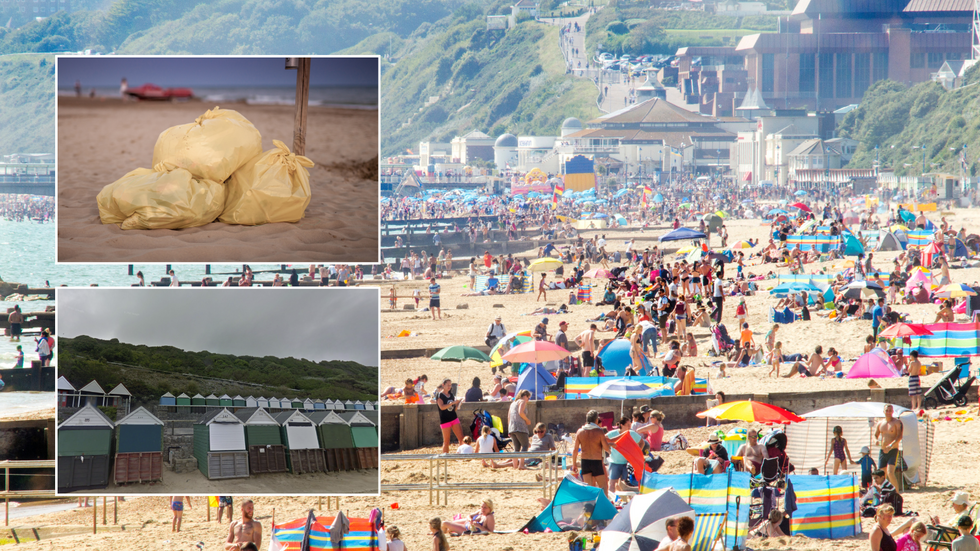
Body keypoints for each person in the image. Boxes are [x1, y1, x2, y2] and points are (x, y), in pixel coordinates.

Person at [571, 410, 611, 489]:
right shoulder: (599, 431)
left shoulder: (580, 431)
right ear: (596, 420)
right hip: (596, 461)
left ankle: (590, 502)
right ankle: (603, 502)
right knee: (603, 487)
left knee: (589, 488)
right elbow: (606, 448)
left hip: (585, 461)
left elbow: (575, 450)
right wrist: (610, 447)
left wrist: (574, 464)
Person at [605, 415, 643, 494]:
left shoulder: (632, 433)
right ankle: (612, 501)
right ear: (621, 425)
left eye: (630, 425)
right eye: (628, 425)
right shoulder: (613, 433)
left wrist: (637, 452)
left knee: (627, 484)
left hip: (627, 463)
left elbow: (642, 442)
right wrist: (609, 449)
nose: (630, 427)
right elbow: (603, 440)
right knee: (612, 483)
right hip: (615, 462)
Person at [875, 404, 904, 491]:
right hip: (883, 450)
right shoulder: (880, 423)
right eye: (886, 410)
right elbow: (875, 435)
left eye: (890, 410)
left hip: (893, 450)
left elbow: (899, 436)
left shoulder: (897, 422)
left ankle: (897, 493)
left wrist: (891, 445)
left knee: (890, 473)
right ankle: (882, 493)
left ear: (892, 412)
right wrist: (875, 441)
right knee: (881, 474)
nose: (888, 412)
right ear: (883, 411)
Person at [437, 378, 464, 453]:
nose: (449, 387)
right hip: (445, 420)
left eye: (450, 385)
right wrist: (451, 403)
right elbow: (442, 407)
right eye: (448, 385)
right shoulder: (439, 395)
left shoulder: (451, 395)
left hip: (454, 418)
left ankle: (461, 454)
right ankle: (445, 457)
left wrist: (457, 404)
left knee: (461, 438)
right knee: (446, 441)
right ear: (443, 385)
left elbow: (453, 409)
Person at [507, 390, 532, 469]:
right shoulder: (522, 401)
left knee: (516, 448)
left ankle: (515, 466)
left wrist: (509, 429)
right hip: (520, 427)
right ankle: (521, 465)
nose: (528, 400)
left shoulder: (512, 403)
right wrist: (527, 420)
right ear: (525, 396)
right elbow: (520, 412)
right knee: (525, 446)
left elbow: (508, 417)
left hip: (512, 427)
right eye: (528, 397)